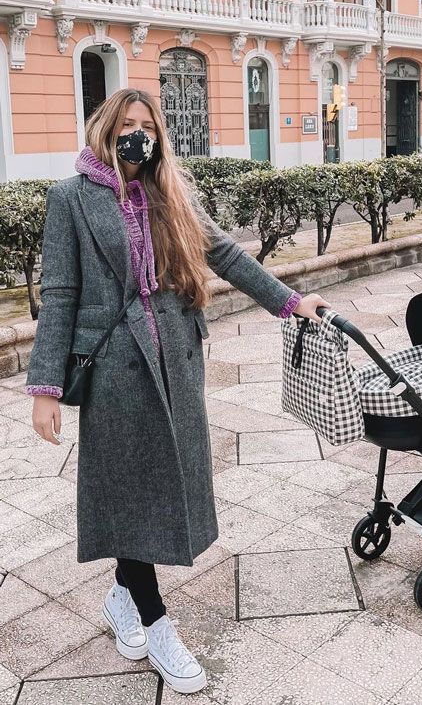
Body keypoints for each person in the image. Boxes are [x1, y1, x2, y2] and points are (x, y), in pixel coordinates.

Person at [26, 88, 328, 695]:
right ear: (106, 128)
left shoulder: (169, 192)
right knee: (132, 491)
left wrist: (290, 302)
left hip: (176, 358)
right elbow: (58, 293)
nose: (139, 136)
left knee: (157, 488)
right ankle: (157, 623)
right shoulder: (71, 199)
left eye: (149, 127)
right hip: (114, 366)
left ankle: (121, 595)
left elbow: (226, 256)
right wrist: (45, 387)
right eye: (128, 125)